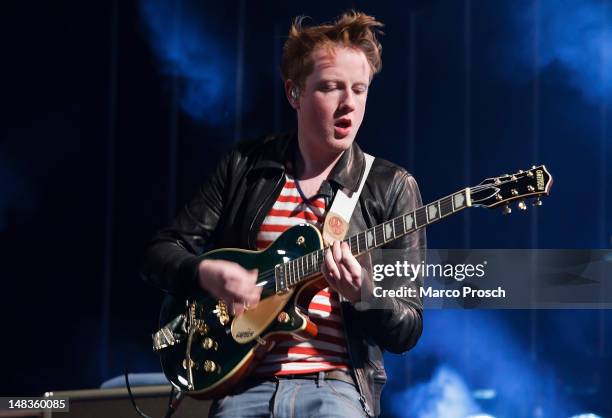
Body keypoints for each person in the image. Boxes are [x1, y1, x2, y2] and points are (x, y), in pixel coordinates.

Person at [142, 11, 426, 418]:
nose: (349, 103)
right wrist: (210, 274)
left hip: (336, 388)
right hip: (243, 387)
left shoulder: (391, 185)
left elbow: (407, 329)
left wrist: (363, 293)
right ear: (294, 93)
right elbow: (158, 255)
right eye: (331, 88)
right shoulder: (244, 167)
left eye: (359, 89)